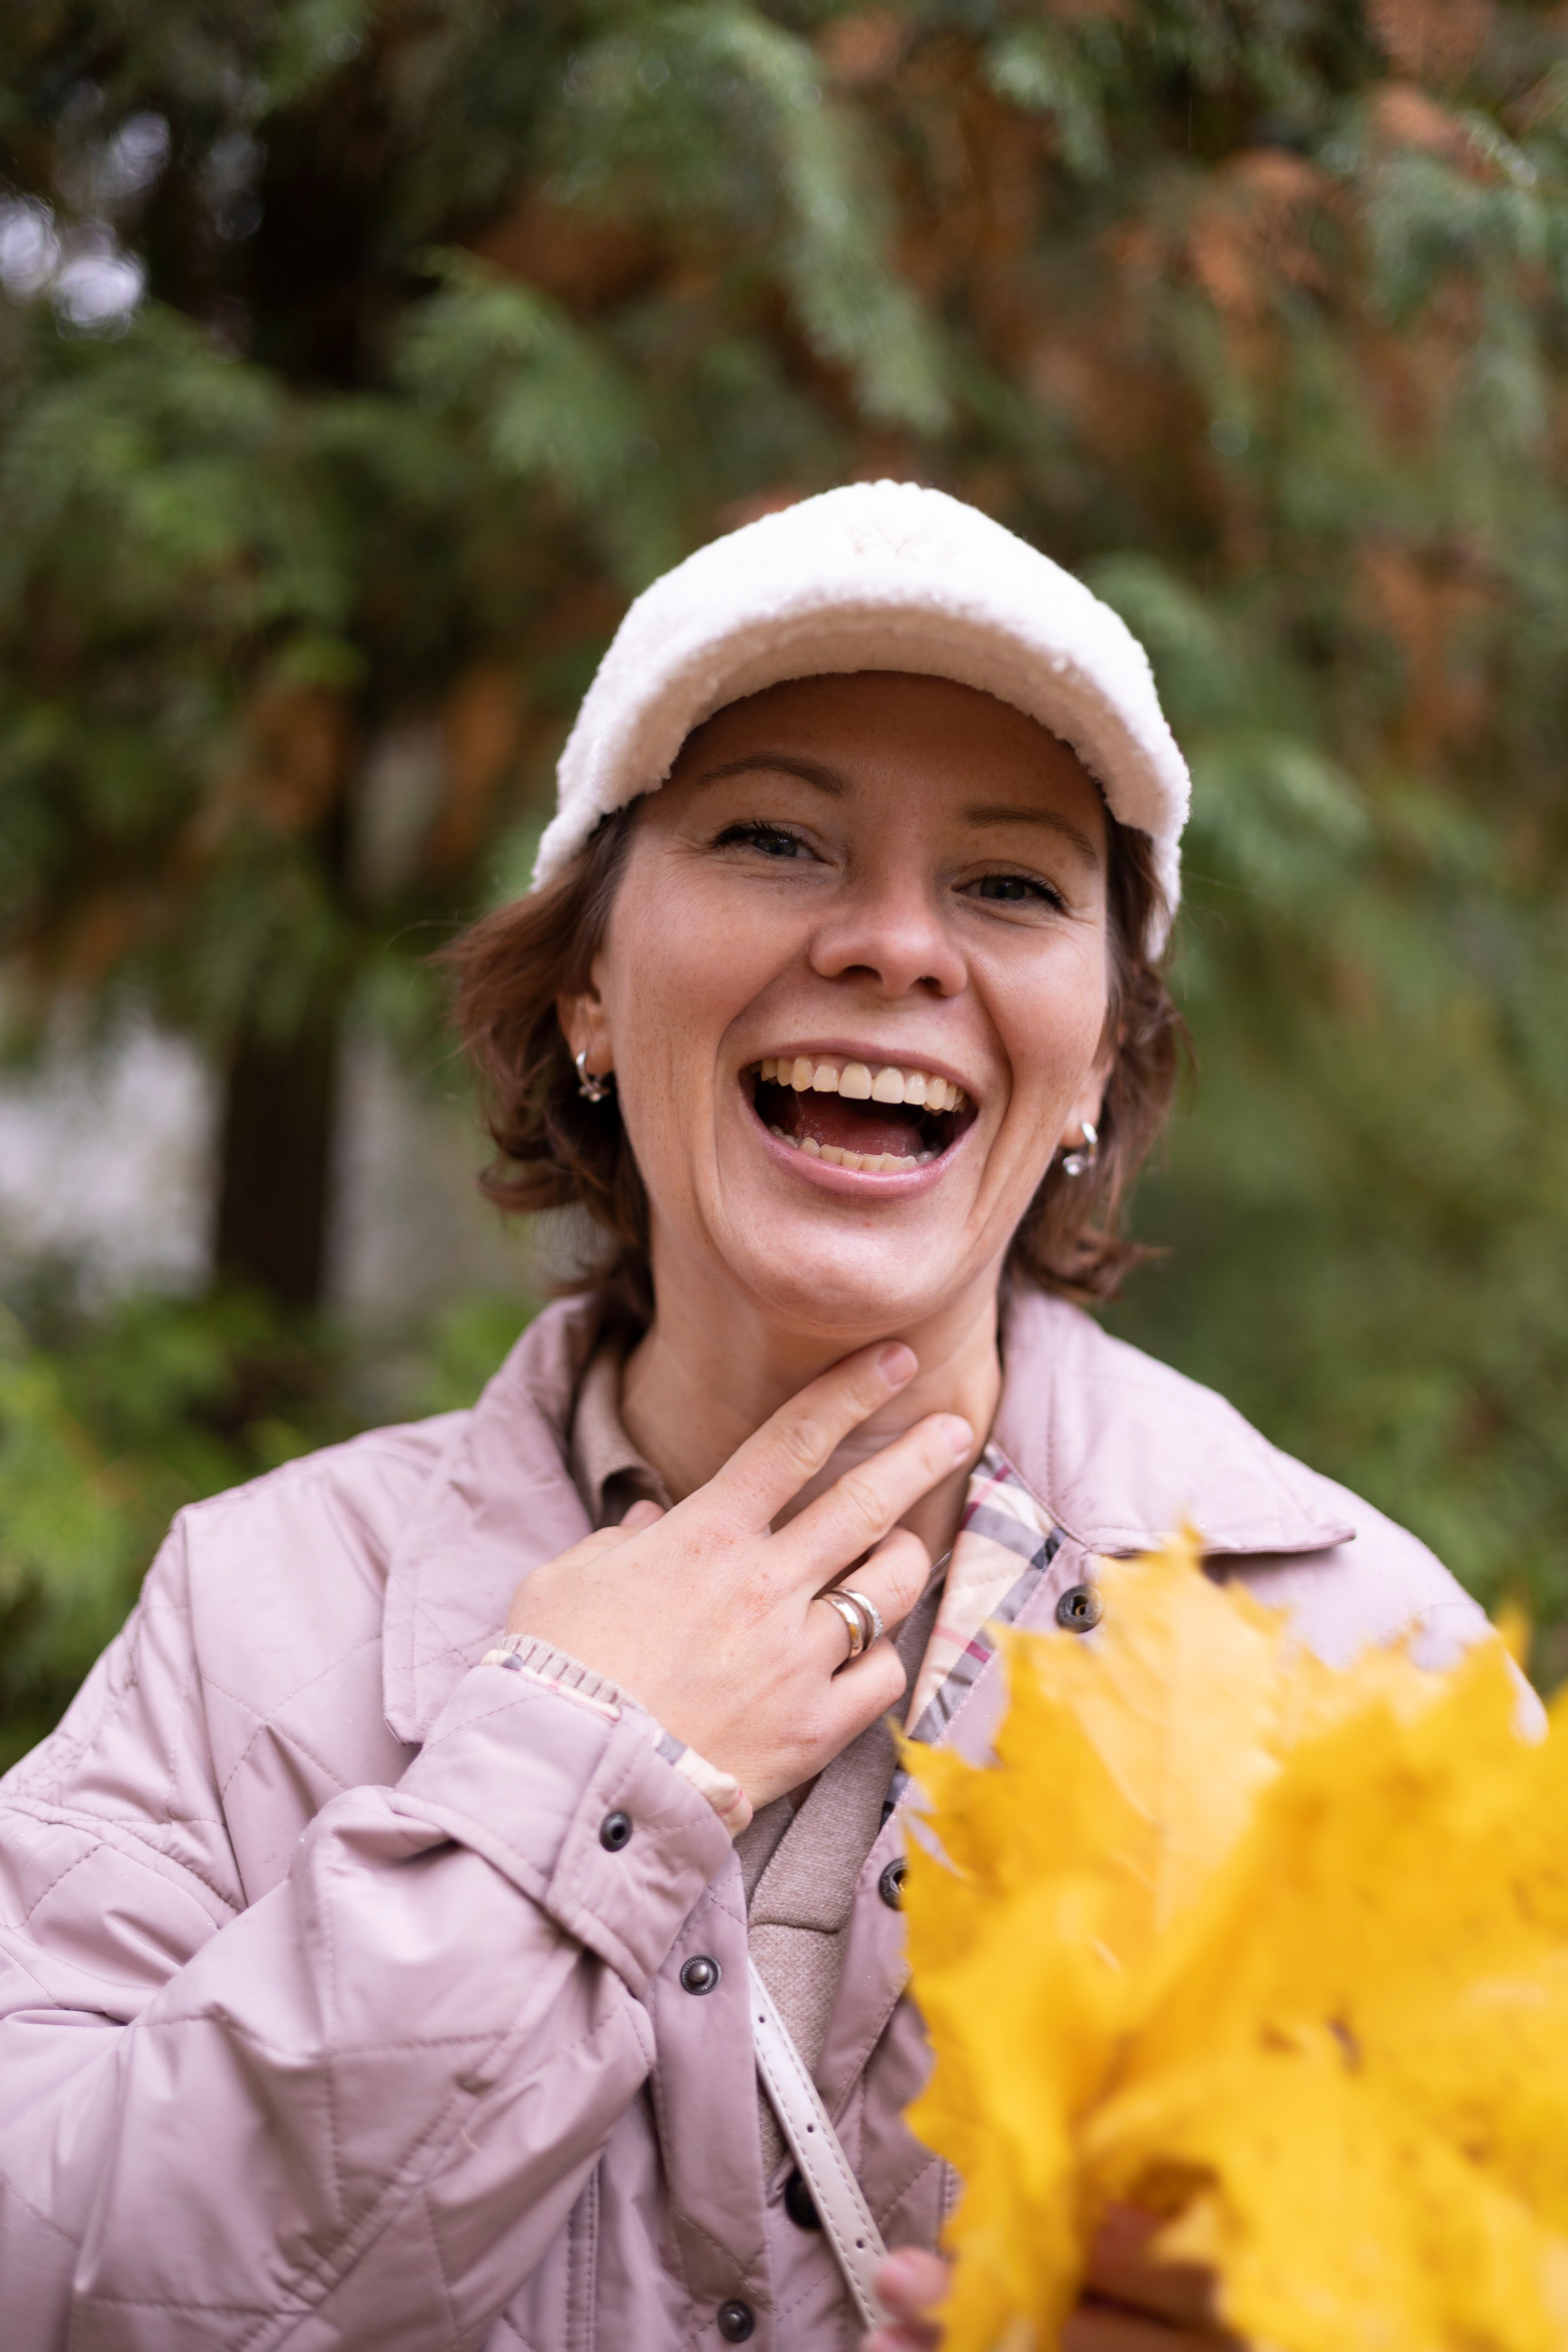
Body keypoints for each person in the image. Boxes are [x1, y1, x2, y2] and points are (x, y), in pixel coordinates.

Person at [0, 483, 1490, 2352]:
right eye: (776, 840)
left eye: (1011, 884)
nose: (891, 945)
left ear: (1099, 1052)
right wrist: (570, 1771)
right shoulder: (255, 1626)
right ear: (590, 999)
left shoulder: (1361, 1656)